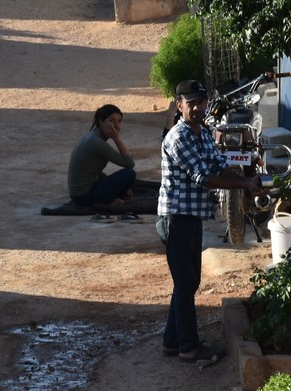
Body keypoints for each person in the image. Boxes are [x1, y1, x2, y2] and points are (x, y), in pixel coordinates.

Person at [158, 79, 264, 366]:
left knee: (187, 283)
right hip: (175, 219)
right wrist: (242, 183)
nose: (197, 108)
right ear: (178, 105)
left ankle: (172, 342)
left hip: (191, 217)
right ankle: (189, 349)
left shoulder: (202, 132)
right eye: (190, 103)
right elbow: (204, 177)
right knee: (185, 284)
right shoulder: (179, 137)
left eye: (200, 102)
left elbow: (219, 165)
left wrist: (248, 181)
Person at [68, 104, 137, 215]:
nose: (116, 126)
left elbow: (95, 172)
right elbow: (129, 164)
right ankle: (104, 204)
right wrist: (116, 138)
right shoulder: (96, 142)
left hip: (81, 193)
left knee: (128, 183)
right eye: (111, 121)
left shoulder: (92, 135)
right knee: (129, 174)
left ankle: (109, 200)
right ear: (101, 122)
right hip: (84, 198)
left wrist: (123, 188)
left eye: (119, 121)